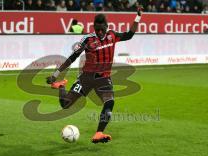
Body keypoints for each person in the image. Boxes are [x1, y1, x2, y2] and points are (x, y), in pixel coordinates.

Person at [47, 6, 143, 144]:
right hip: (86, 77)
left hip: (103, 78)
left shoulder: (112, 35)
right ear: (94, 26)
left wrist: (138, 17)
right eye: (96, 29)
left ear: (106, 26)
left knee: (109, 102)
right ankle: (61, 86)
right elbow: (72, 57)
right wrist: (56, 74)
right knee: (65, 105)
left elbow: (129, 35)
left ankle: (99, 133)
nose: (99, 32)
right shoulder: (87, 39)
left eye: (101, 29)